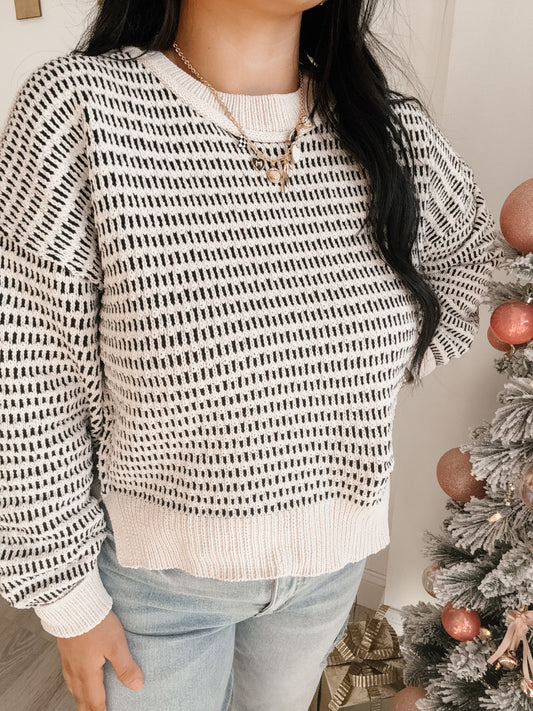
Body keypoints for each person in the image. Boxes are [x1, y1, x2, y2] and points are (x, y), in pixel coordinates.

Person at [0, 1, 501, 710]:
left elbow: (468, 256)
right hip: (155, 584)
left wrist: (367, 361)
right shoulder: (80, 112)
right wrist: (66, 597)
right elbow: (28, 379)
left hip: (328, 566)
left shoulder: (388, 130)